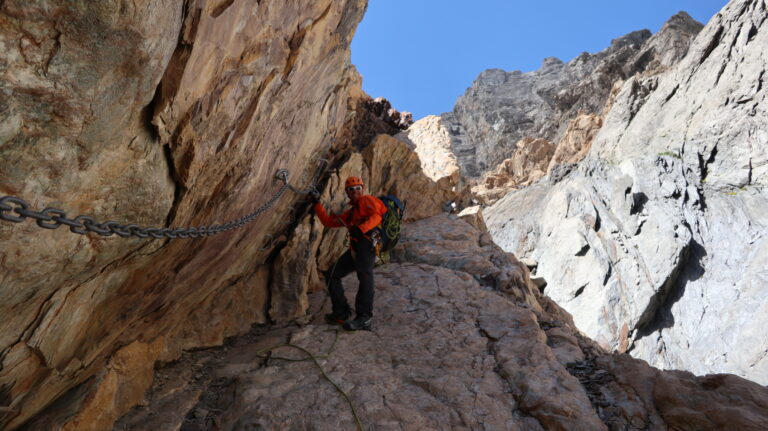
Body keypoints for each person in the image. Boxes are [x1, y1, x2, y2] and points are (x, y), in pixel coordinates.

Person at [311, 176, 387, 331]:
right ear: (347, 192)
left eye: (357, 188)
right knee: (332, 274)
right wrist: (317, 204)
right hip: (357, 247)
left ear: (363, 189)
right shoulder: (351, 213)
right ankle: (341, 312)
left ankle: (364, 317)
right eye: (351, 189)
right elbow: (329, 221)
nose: (354, 191)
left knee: (365, 275)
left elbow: (376, 216)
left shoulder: (367, 201)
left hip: (368, 243)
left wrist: (361, 229)